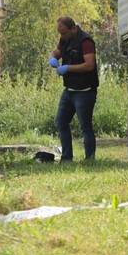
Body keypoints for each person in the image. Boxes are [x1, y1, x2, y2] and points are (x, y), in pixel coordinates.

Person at [50, 16, 99, 162]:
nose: (62, 36)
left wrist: (68, 68)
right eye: (60, 33)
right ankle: (66, 158)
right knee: (61, 121)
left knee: (85, 127)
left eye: (64, 32)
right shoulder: (65, 39)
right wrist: (52, 58)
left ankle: (90, 159)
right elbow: (56, 52)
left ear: (73, 28)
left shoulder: (86, 41)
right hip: (69, 90)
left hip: (85, 91)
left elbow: (89, 65)